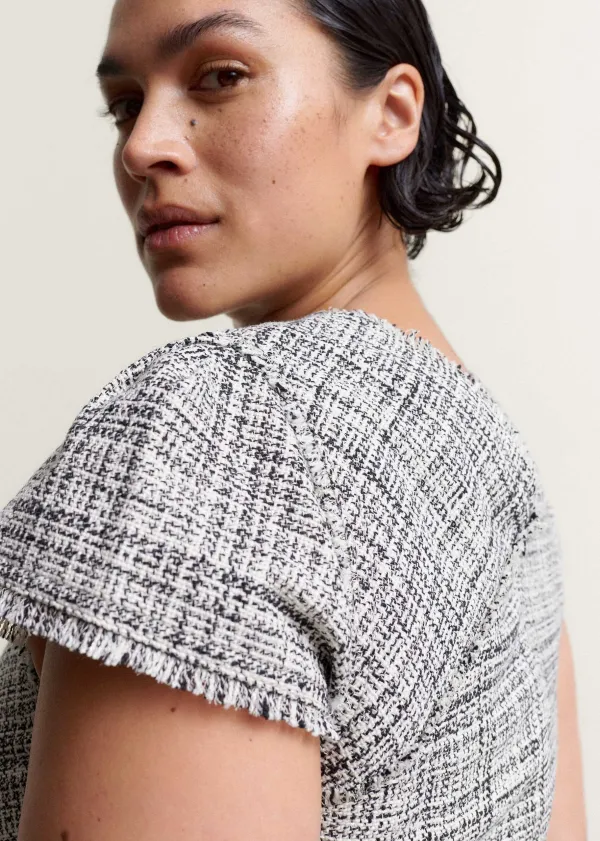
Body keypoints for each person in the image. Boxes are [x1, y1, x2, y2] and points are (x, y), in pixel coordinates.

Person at [0, 0, 586, 838]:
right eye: (126, 104)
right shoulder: (505, 488)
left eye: (220, 76)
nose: (141, 146)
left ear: (391, 115)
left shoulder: (215, 427)